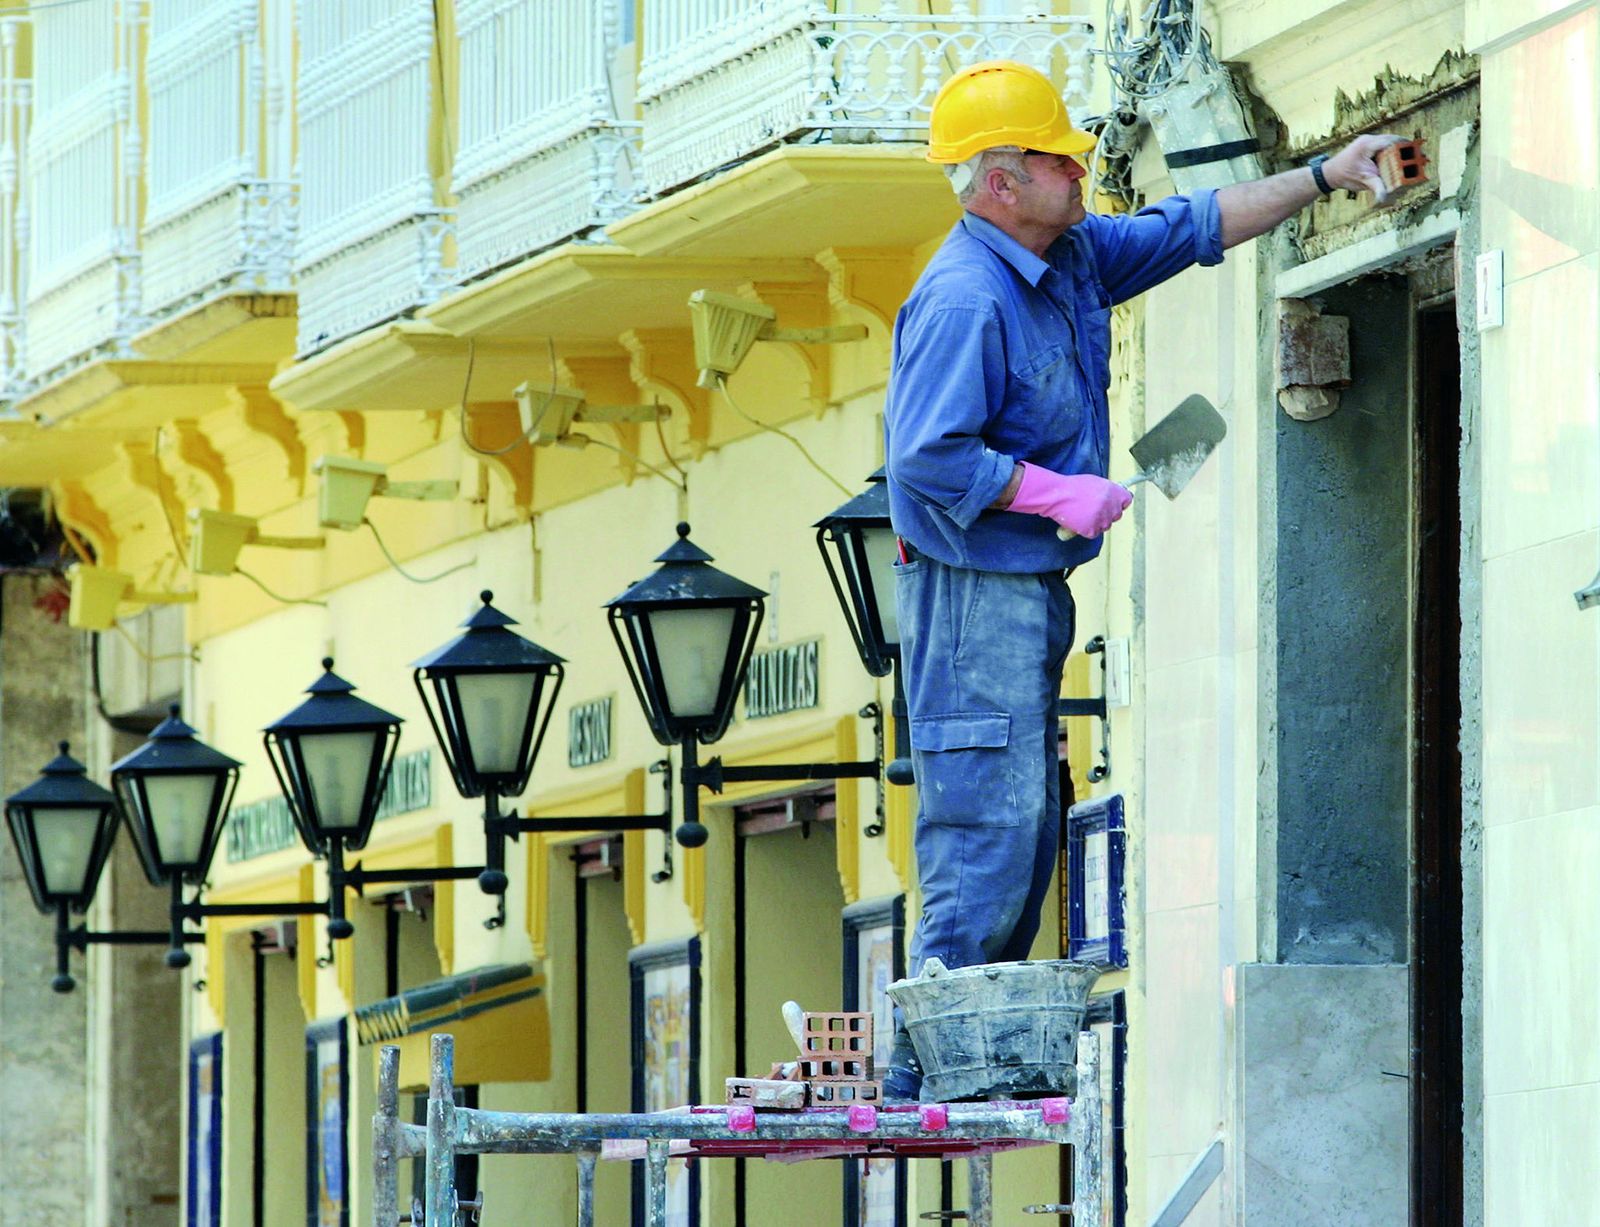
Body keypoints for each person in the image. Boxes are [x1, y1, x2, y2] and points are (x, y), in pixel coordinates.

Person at [882, 59, 1398, 1101]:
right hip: (972, 590)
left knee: (1028, 820)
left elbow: (1188, 226)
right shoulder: (962, 297)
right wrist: (1048, 492)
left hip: (1023, 586)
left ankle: (960, 1061)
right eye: (1057, 154)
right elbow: (924, 458)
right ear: (997, 181)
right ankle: (925, 1070)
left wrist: (1324, 174)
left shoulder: (1063, 255)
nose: (1080, 165)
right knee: (987, 819)